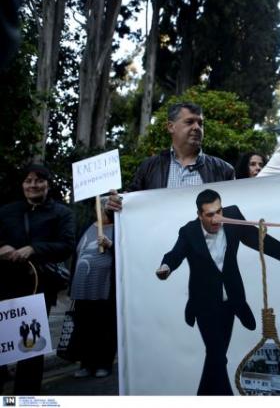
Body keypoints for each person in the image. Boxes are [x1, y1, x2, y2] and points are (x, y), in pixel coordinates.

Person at [156, 189, 280, 395]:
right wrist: (166, 267)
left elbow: (254, 238)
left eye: (219, 211)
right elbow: (175, 254)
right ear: (199, 215)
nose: (216, 218)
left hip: (230, 302)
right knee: (217, 355)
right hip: (204, 305)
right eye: (209, 214)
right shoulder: (189, 232)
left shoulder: (232, 217)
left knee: (216, 355)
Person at [0, 164, 75, 395]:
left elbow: (67, 245)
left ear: (47, 185)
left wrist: (34, 249)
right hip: (4, 286)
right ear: (22, 185)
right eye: (28, 180)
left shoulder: (62, 213)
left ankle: (25, 398)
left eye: (39, 180)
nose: (33, 185)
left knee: (29, 347)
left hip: (38, 288)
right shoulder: (6, 211)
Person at [106, 102, 234, 211]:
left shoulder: (223, 170)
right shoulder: (149, 167)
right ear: (171, 127)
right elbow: (129, 207)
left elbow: (232, 211)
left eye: (200, 123)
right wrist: (115, 204)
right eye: (189, 122)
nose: (196, 127)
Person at [69, 199, 117, 379]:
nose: (104, 208)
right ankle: (86, 364)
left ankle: (104, 363)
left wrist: (111, 245)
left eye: (106, 205)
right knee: (84, 327)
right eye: (101, 204)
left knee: (104, 327)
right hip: (82, 288)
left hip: (104, 287)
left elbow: (128, 254)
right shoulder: (86, 227)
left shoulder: (119, 229)